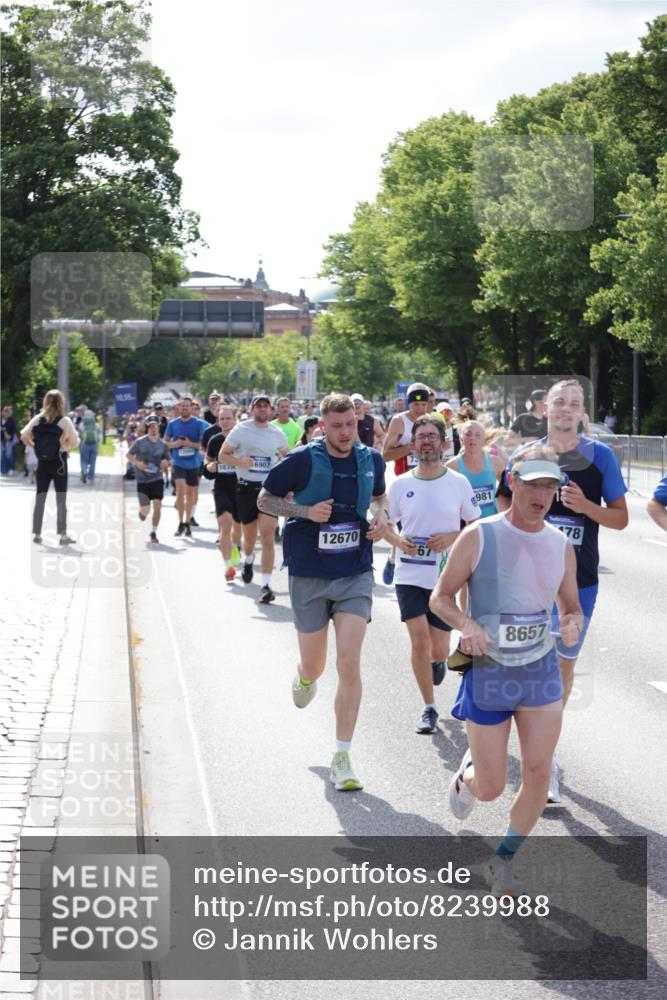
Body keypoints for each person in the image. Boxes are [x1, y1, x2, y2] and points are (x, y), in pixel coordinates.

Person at [430, 445, 582, 896]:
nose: (541, 494)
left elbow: (570, 607)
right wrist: (467, 624)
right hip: (490, 672)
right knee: (492, 788)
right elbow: (440, 598)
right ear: (511, 482)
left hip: (539, 672)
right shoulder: (480, 535)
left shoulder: (560, 545)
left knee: (538, 773)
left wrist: (572, 624)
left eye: (549, 486)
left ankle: (504, 859)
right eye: (532, 483)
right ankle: (469, 776)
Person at [497, 379, 628, 802]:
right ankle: (515, 751)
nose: (566, 410)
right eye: (559, 403)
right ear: (545, 409)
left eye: (574, 404)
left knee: (558, 673)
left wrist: (585, 507)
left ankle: (544, 760)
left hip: (578, 583)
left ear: (582, 411)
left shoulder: (600, 457)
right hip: (526, 580)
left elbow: (621, 519)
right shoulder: (526, 455)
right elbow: (501, 504)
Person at [257, 393, 388, 791]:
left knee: (349, 663)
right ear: (322, 427)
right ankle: (304, 676)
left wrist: (380, 517)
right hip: (310, 573)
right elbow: (265, 499)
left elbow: (380, 497)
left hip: (355, 571)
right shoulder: (302, 459)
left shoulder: (372, 460)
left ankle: (343, 756)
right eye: (337, 426)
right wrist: (305, 512)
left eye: (350, 424)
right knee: (315, 666)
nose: (346, 432)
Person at [385, 415, 480, 734]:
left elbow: (475, 525)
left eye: (431, 436)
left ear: (442, 443)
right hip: (409, 574)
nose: (426, 441)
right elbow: (384, 525)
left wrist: (452, 538)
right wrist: (399, 542)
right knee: (418, 639)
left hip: (445, 578)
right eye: (420, 436)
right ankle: (429, 708)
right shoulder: (400, 485)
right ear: (412, 445)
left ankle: (439, 661)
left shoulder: (458, 483)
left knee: (437, 649)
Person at [219, 394, 289, 603]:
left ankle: (266, 585)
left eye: (266, 407)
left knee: (267, 536)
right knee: (249, 539)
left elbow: (287, 457)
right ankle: (248, 560)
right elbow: (223, 455)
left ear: (271, 411)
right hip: (246, 489)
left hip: (268, 490)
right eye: (258, 407)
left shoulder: (277, 433)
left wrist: (289, 479)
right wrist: (241, 462)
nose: (262, 410)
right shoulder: (240, 430)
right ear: (252, 409)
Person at [381, 383, 430, 583]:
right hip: (405, 482)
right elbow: (384, 455)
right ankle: (396, 562)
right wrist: (410, 448)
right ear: (409, 404)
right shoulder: (399, 422)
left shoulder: (432, 421)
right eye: (416, 405)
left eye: (424, 405)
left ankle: (424, 571)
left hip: (429, 481)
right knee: (406, 527)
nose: (420, 410)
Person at [20, 389, 78, 545]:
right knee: (61, 498)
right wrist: (63, 446)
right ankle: (63, 535)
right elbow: (75, 442)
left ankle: (37, 533)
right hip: (59, 462)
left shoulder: (38, 419)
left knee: (40, 497)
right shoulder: (65, 421)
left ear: (45, 402)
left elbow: (24, 434)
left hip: (43, 463)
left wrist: (34, 446)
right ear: (61, 403)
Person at [204, 405, 243, 578]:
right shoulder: (215, 440)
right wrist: (210, 466)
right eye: (222, 419)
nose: (225, 422)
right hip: (222, 487)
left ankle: (234, 547)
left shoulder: (243, 440)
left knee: (238, 527)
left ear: (235, 420)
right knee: (225, 523)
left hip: (242, 487)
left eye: (228, 418)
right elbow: (207, 463)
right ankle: (228, 566)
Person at [164, 396, 209, 537]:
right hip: (178, 462)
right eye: (182, 405)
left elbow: (203, 445)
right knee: (180, 491)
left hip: (194, 463)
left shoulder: (199, 424)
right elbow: (164, 443)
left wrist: (189, 444)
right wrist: (174, 444)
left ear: (191, 408)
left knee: (190, 494)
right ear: (178, 407)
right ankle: (180, 523)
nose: (184, 408)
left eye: (187, 406)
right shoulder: (173, 424)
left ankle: (188, 522)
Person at [446, 420, 505, 518]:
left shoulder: (495, 462)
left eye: (478, 435)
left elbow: (507, 492)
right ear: (461, 438)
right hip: (465, 526)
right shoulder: (452, 466)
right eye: (468, 434)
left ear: (484, 439)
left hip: (492, 522)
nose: (472, 438)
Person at [127, 416, 171, 543]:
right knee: (146, 510)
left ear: (158, 427)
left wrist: (166, 463)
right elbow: (129, 455)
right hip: (142, 480)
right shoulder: (140, 442)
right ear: (147, 428)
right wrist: (138, 464)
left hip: (157, 478)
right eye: (150, 426)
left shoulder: (163, 444)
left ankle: (153, 532)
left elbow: (169, 460)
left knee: (158, 507)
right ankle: (143, 513)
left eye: (155, 425)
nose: (153, 428)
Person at [78, 408, 100, 484]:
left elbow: (80, 433)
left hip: (85, 444)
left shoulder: (82, 424)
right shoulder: (96, 424)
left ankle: (84, 472)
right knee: (93, 462)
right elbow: (98, 432)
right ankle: (91, 477)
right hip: (94, 444)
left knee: (83, 460)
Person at [1, 405, 17, 475]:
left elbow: (13, 432)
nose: (5, 413)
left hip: (9, 440)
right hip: (1, 440)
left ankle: (10, 469)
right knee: (0, 454)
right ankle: (1, 470)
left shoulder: (12, 421)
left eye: (7, 412)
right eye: (4, 411)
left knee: (8, 454)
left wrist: (5, 432)